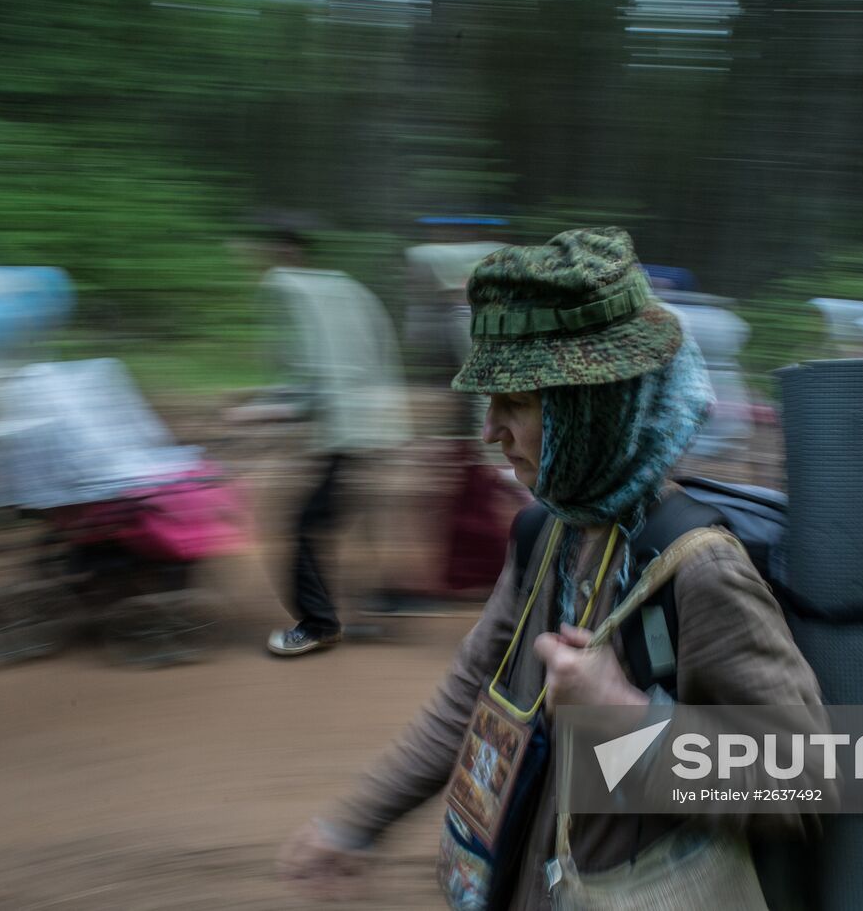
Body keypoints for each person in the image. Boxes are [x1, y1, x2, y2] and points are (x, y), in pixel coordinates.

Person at [278, 227, 825, 908]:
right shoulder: (548, 534)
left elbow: (803, 780)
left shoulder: (700, 570)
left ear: (591, 409)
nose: (490, 430)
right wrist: (353, 825)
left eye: (518, 403)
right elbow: (469, 699)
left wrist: (626, 715)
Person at [255, 219, 411, 656]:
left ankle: (320, 622)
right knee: (341, 517)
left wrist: (271, 410)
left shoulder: (296, 292)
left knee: (305, 526)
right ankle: (378, 599)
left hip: (348, 435)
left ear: (284, 251)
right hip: (369, 426)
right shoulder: (337, 290)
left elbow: (313, 376)